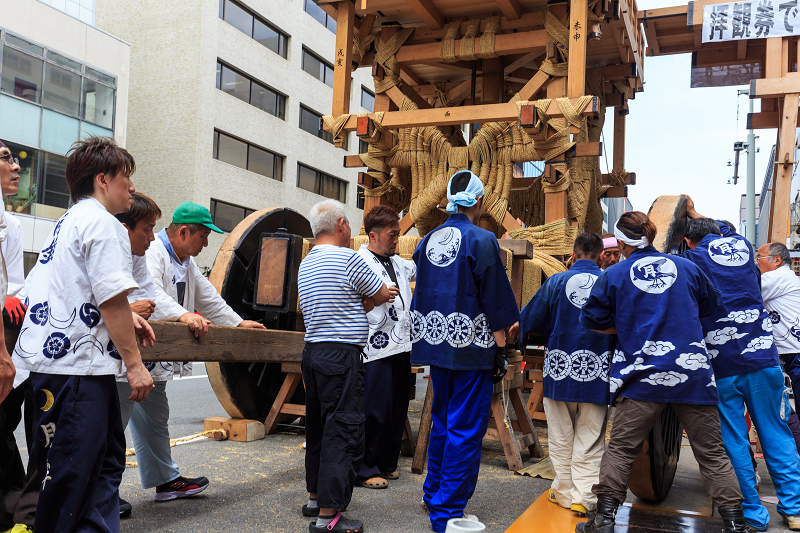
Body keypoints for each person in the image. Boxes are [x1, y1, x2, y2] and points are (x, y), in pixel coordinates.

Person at [11, 136, 155, 533]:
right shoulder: (103, 224)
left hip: (65, 368)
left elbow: (65, 291)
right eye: (126, 178)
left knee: (96, 469)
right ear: (103, 179)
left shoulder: (66, 221)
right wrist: (136, 365)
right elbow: (109, 298)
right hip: (75, 372)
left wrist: (127, 317)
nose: (131, 187)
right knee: (73, 480)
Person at [577, 211, 746, 533]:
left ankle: (603, 520)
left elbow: (592, 320)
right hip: (692, 374)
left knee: (621, 449)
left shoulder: (615, 274)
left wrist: (628, 328)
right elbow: (711, 307)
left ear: (622, 242)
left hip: (640, 376)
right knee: (711, 452)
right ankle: (735, 524)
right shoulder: (688, 267)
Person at [410, 170, 520, 533]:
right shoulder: (482, 239)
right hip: (472, 348)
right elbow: (496, 300)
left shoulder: (426, 240)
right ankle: (446, 513)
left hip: (435, 344)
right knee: (465, 427)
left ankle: (433, 494)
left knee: (442, 421)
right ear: (479, 201)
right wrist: (502, 350)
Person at [681, 199, 800, 531]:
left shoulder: (689, 259)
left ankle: (752, 512)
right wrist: (694, 211)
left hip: (722, 366)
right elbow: (724, 228)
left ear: (688, 242)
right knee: (776, 433)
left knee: (734, 438)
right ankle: (794, 510)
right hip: (763, 359)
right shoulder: (742, 247)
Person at [142, 201, 265, 502]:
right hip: (133, 352)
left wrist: (237, 322)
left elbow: (208, 297)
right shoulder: (151, 252)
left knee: (154, 418)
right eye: (203, 236)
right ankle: (99, 492)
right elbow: (150, 293)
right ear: (184, 232)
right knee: (112, 421)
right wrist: (184, 315)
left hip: (152, 356)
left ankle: (166, 481)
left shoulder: (185, 261)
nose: (206, 243)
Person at [297, 199, 395, 533]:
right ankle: (329, 516)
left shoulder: (306, 262)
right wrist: (370, 298)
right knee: (342, 430)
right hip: (341, 356)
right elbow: (380, 293)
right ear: (341, 225)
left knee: (318, 427)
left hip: (312, 353)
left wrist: (360, 298)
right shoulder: (349, 258)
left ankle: (314, 498)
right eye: (349, 224)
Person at [511, 232, 613, 515]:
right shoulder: (609, 282)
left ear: (574, 253)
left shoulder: (556, 281)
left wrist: (519, 329)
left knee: (560, 434)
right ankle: (585, 497)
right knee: (591, 436)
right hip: (598, 370)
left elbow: (532, 319)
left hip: (560, 369)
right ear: (600, 254)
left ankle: (564, 492)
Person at [355, 205, 416, 490]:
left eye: (398, 234)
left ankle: (388, 462)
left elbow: (422, 262)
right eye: (393, 235)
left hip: (402, 344)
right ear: (373, 235)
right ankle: (366, 468)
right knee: (375, 409)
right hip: (375, 347)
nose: (396, 240)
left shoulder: (399, 262)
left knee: (397, 406)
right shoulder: (360, 262)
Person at [111, 192, 159, 517]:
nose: (152, 237)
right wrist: (127, 309)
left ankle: (104, 493)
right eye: (147, 229)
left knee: (115, 431)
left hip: (117, 359)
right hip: (89, 361)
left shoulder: (137, 255)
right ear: (125, 228)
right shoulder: (105, 244)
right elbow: (104, 302)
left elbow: (149, 298)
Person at [0, 141, 34, 533]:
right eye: (6, 158)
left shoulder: (13, 222)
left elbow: (17, 283)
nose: (15, 165)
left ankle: (17, 512)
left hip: (10, 331)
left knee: (5, 425)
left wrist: (13, 298)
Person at [758, 242, 800, 404]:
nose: (756, 262)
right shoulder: (787, 276)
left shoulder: (775, 277)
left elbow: (743, 295)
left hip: (795, 349)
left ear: (776, 260)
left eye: (759, 257)